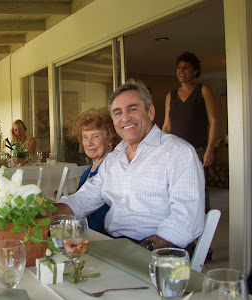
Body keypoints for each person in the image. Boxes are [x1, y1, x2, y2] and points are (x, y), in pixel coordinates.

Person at [56, 79, 205, 250]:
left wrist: (140, 251)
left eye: (133, 109)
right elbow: (83, 199)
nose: (125, 118)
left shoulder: (178, 153)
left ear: (150, 112)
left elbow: (186, 220)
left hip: (158, 250)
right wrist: (45, 214)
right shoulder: (113, 159)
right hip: (116, 244)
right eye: (117, 113)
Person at [162, 52, 218, 212]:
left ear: (195, 71)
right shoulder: (170, 95)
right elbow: (167, 126)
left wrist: (210, 150)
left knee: (198, 188)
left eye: (186, 67)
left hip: (198, 150)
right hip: (174, 151)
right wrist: (161, 149)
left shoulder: (203, 90)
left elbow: (213, 121)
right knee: (175, 187)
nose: (181, 71)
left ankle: (203, 223)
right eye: (179, 67)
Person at [75, 108, 120, 233]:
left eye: (95, 136)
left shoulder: (112, 170)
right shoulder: (87, 171)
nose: (89, 143)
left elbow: (100, 218)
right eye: (85, 137)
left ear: (110, 139)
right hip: (83, 232)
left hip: (100, 236)